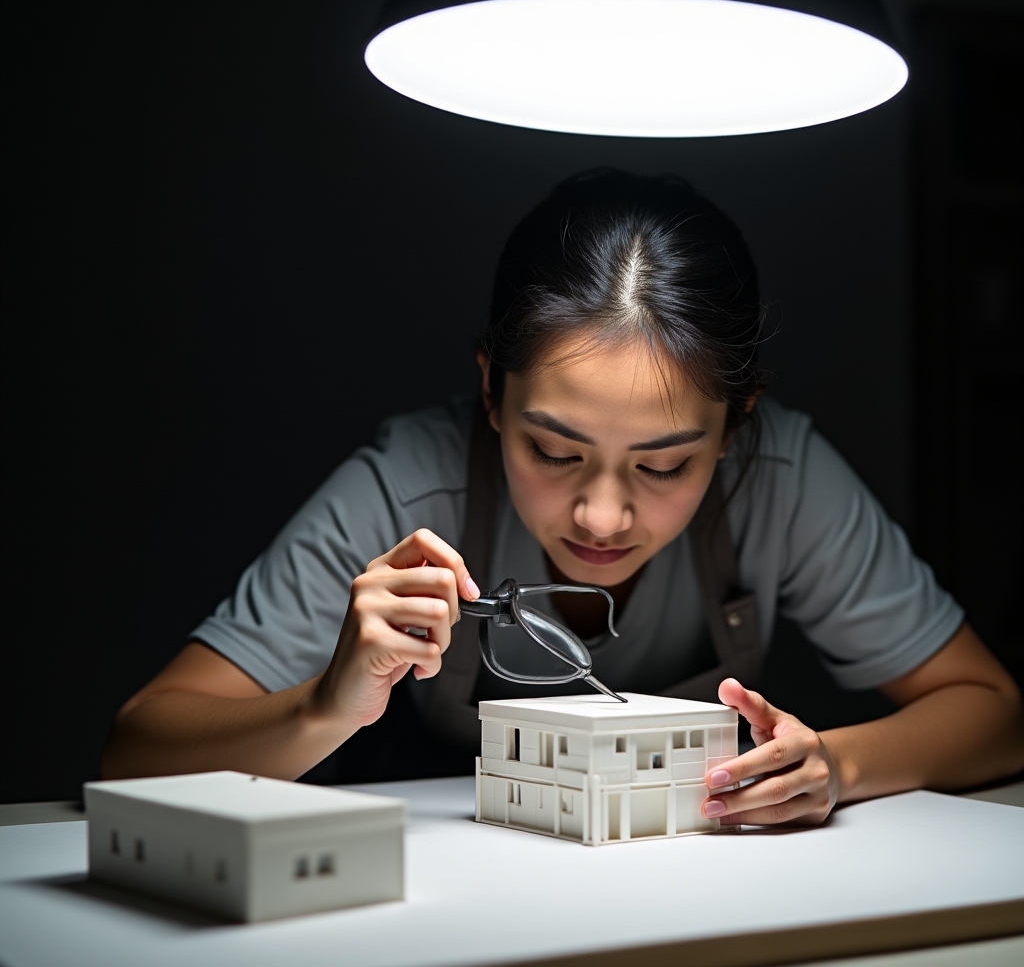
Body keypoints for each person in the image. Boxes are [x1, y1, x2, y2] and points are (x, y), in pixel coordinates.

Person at [102, 169, 1023, 827]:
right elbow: (137, 752)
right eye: (553, 449)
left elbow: (994, 711)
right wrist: (327, 705)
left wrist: (834, 764)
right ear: (492, 395)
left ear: (738, 426)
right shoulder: (411, 484)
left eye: (665, 466)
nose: (603, 517)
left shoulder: (781, 476)